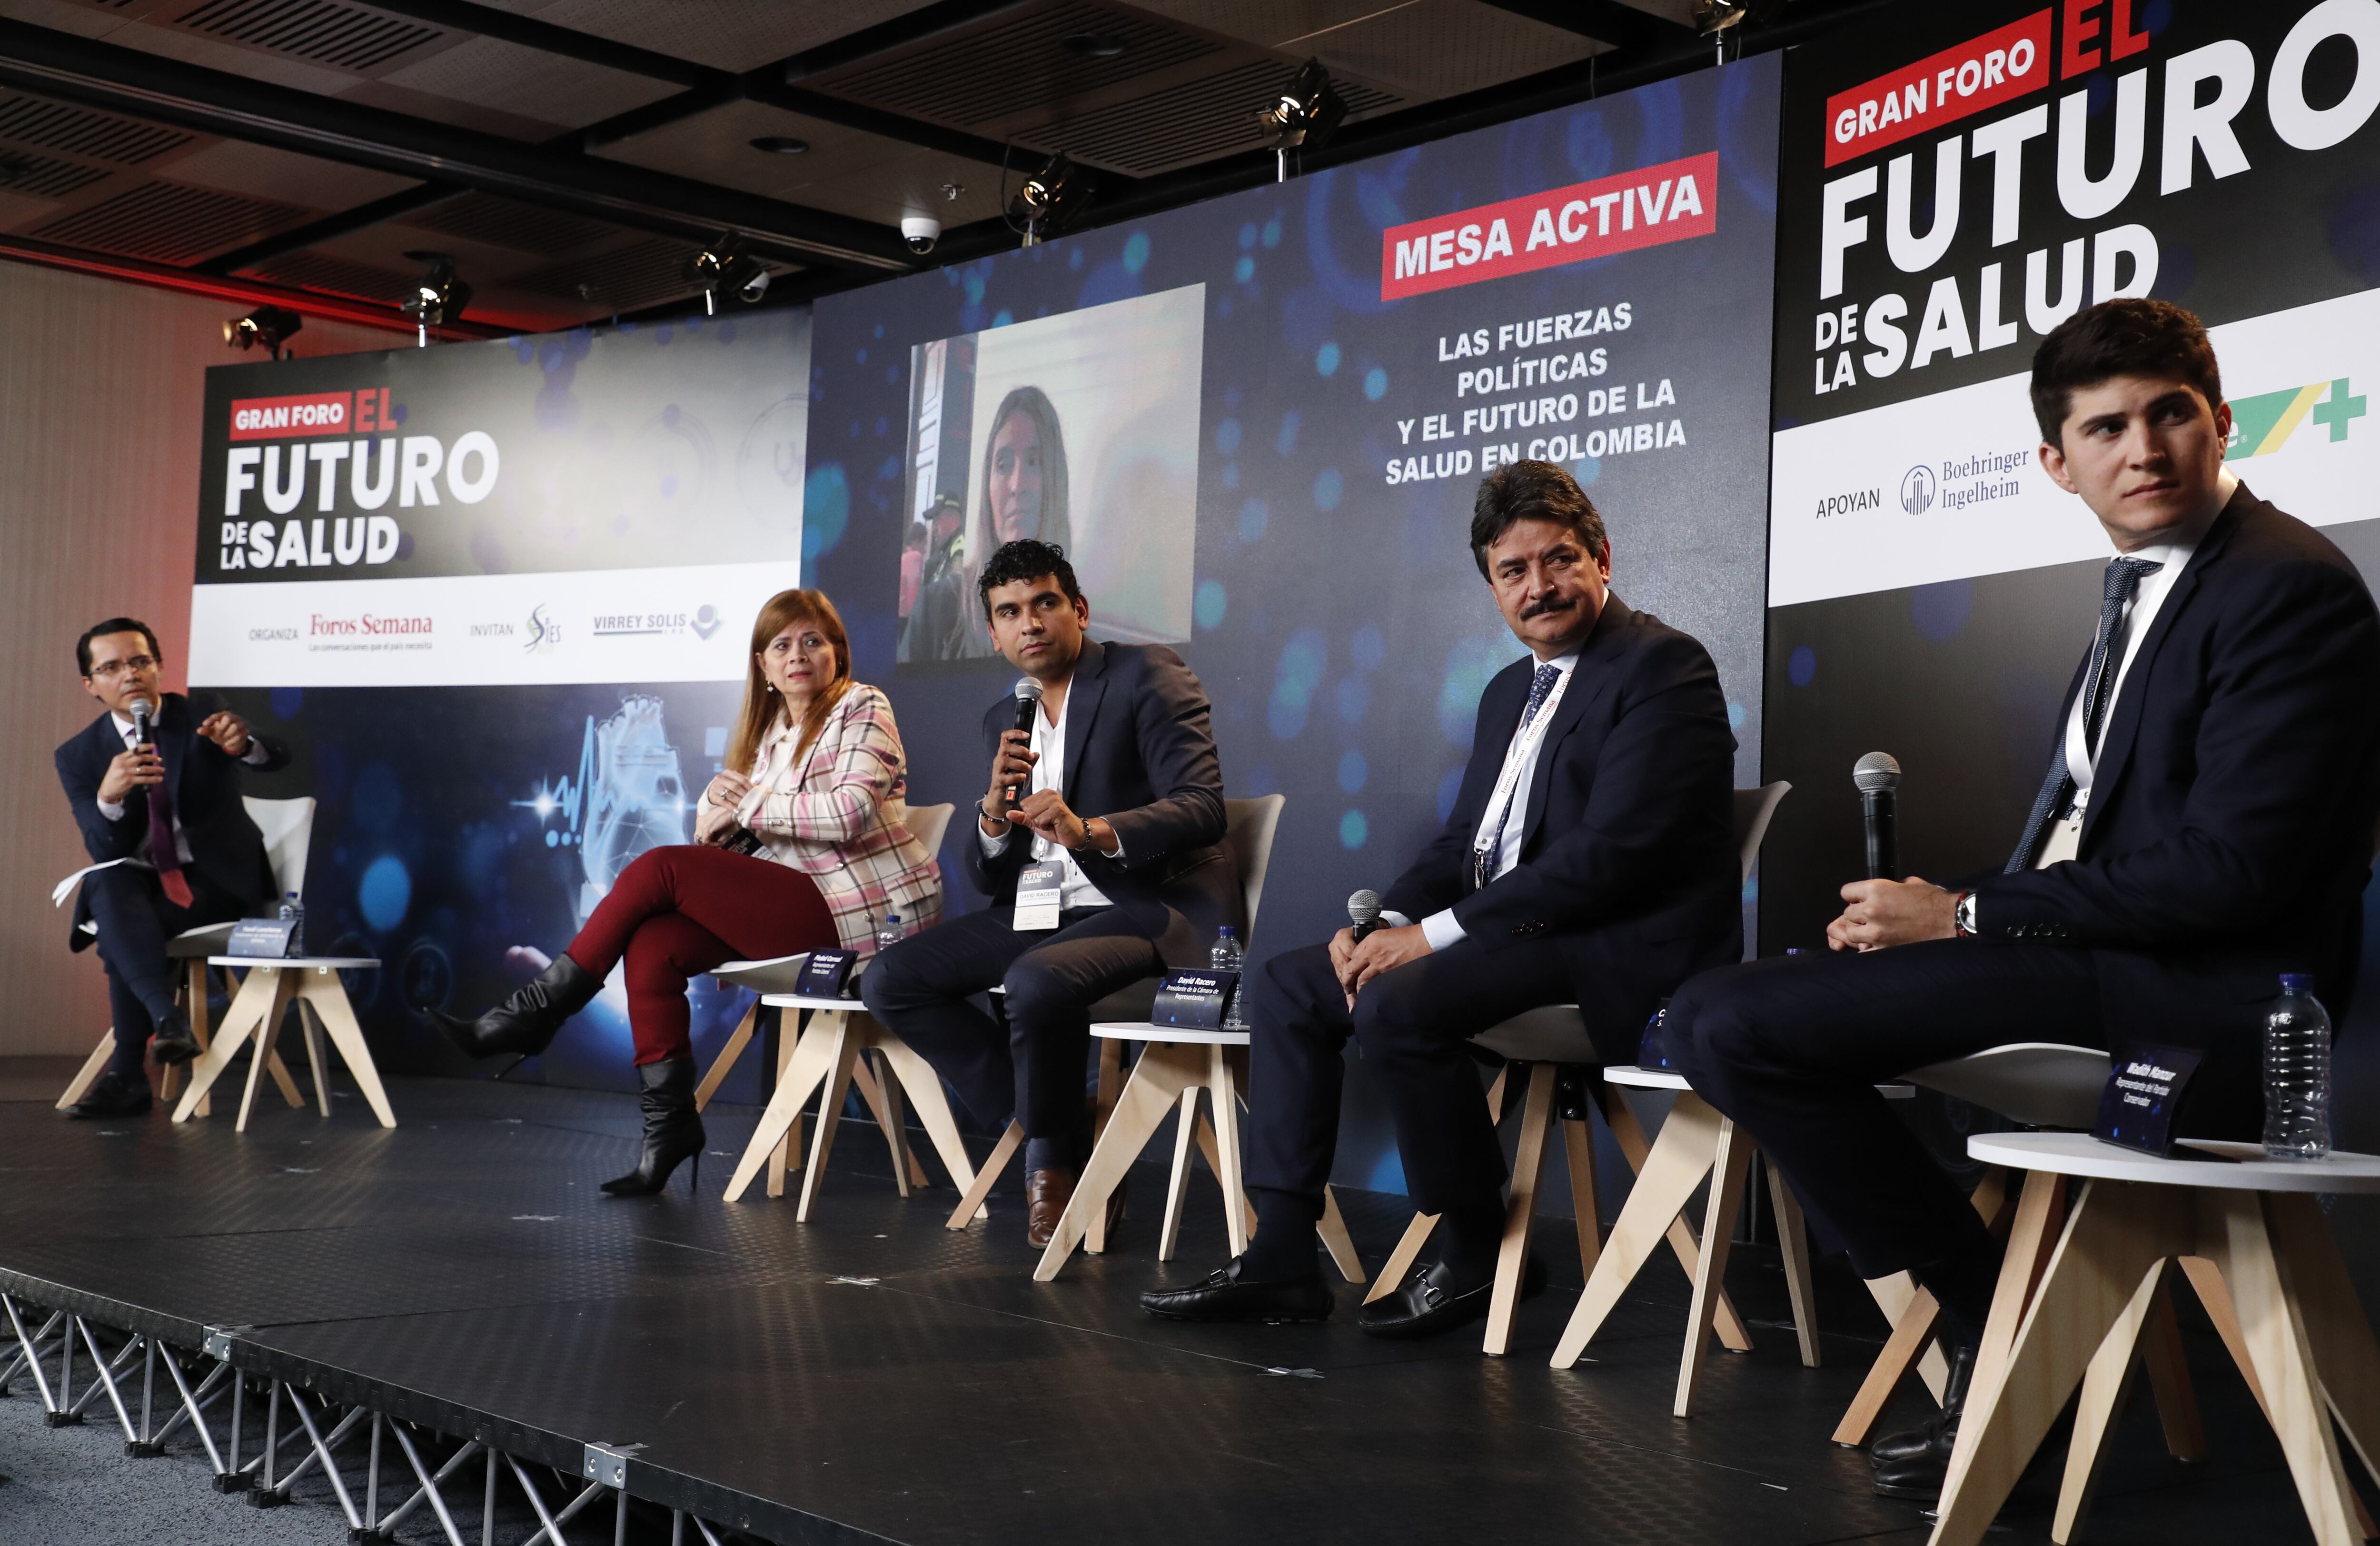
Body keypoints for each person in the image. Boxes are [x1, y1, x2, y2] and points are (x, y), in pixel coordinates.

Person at [1664, 299, 2380, 1503]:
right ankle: (2001, 1325)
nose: (2141, 449)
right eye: (2104, 429)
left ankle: (1989, 1322)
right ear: (2057, 463)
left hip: (2210, 1002)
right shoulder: (2145, 585)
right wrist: (1926, 919)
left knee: (1727, 1019)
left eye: (2169, 415)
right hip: (2107, 960)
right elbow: (2093, 837)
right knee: (1746, 1002)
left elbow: (2231, 873)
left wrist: (1963, 918)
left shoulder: (2287, 587)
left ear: (2221, 424)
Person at [1143, 460, 1743, 1336]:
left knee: (1399, 997)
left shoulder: (1664, 666)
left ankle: (1475, 1246)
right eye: (1514, 571)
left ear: (1603, 556)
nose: (1540, 586)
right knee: (1289, 984)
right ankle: (1280, 1254)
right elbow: (1466, 844)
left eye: (1560, 559)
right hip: (1517, 935)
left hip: (1616, 948)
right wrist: (1385, 922)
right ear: (1492, 587)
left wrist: (1433, 937)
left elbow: (1609, 860)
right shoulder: (1510, 690)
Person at [436, 590, 942, 1196]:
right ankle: (669, 1127)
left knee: (660, 870)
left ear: (838, 652)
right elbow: (746, 837)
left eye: (813, 641)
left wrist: (747, 804)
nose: (798, 655)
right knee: (654, 942)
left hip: (859, 917)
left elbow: (850, 813)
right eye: (781, 645)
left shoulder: (862, 707)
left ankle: (532, 1016)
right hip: (797, 902)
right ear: (763, 667)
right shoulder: (770, 736)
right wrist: (713, 812)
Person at [864, 538, 1239, 1246]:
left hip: (1144, 906)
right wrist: (990, 818)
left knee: (1033, 980)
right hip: (1042, 911)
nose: (1029, 621)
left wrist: (1090, 829)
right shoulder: (1004, 718)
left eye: (1044, 602)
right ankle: (1073, 1135)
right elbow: (989, 878)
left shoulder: (1145, 673)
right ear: (994, 631)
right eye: (1010, 611)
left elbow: (1202, 807)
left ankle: (1048, 1163)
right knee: (892, 977)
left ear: (1079, 609)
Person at [54, 618, 290, 1118]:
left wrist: (244, 745)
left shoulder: (201, 714)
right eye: (112, 667)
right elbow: (103, 846)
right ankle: (167, 1021)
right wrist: (108, 797)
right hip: (141, 884)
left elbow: (276, 758)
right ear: (90, 684)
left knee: (121, 930)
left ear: (159, 666)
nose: (130, 675)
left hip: (216, 882)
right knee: (106, 882)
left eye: (140, 661)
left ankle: (129, 1070)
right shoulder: (78, 755)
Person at [902, 388, 1072, 661]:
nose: (1017, 485)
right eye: (1003, 465)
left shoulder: (1078, 620)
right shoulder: (936, 609)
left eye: (1034, 462)